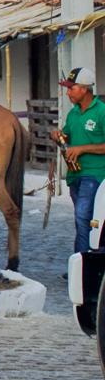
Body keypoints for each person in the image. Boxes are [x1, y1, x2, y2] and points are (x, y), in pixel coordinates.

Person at [54, 67, 105, 254]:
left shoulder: (102, 112)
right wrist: (58, 136)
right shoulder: (73, 113)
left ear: (84, 89)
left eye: (71, 88)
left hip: (95, 174)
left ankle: (84, 261)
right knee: (82, 220)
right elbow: (66, 137)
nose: (68, 92)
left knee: (83, 216)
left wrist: (82, 149)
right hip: (75, 174)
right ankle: (86, 259)